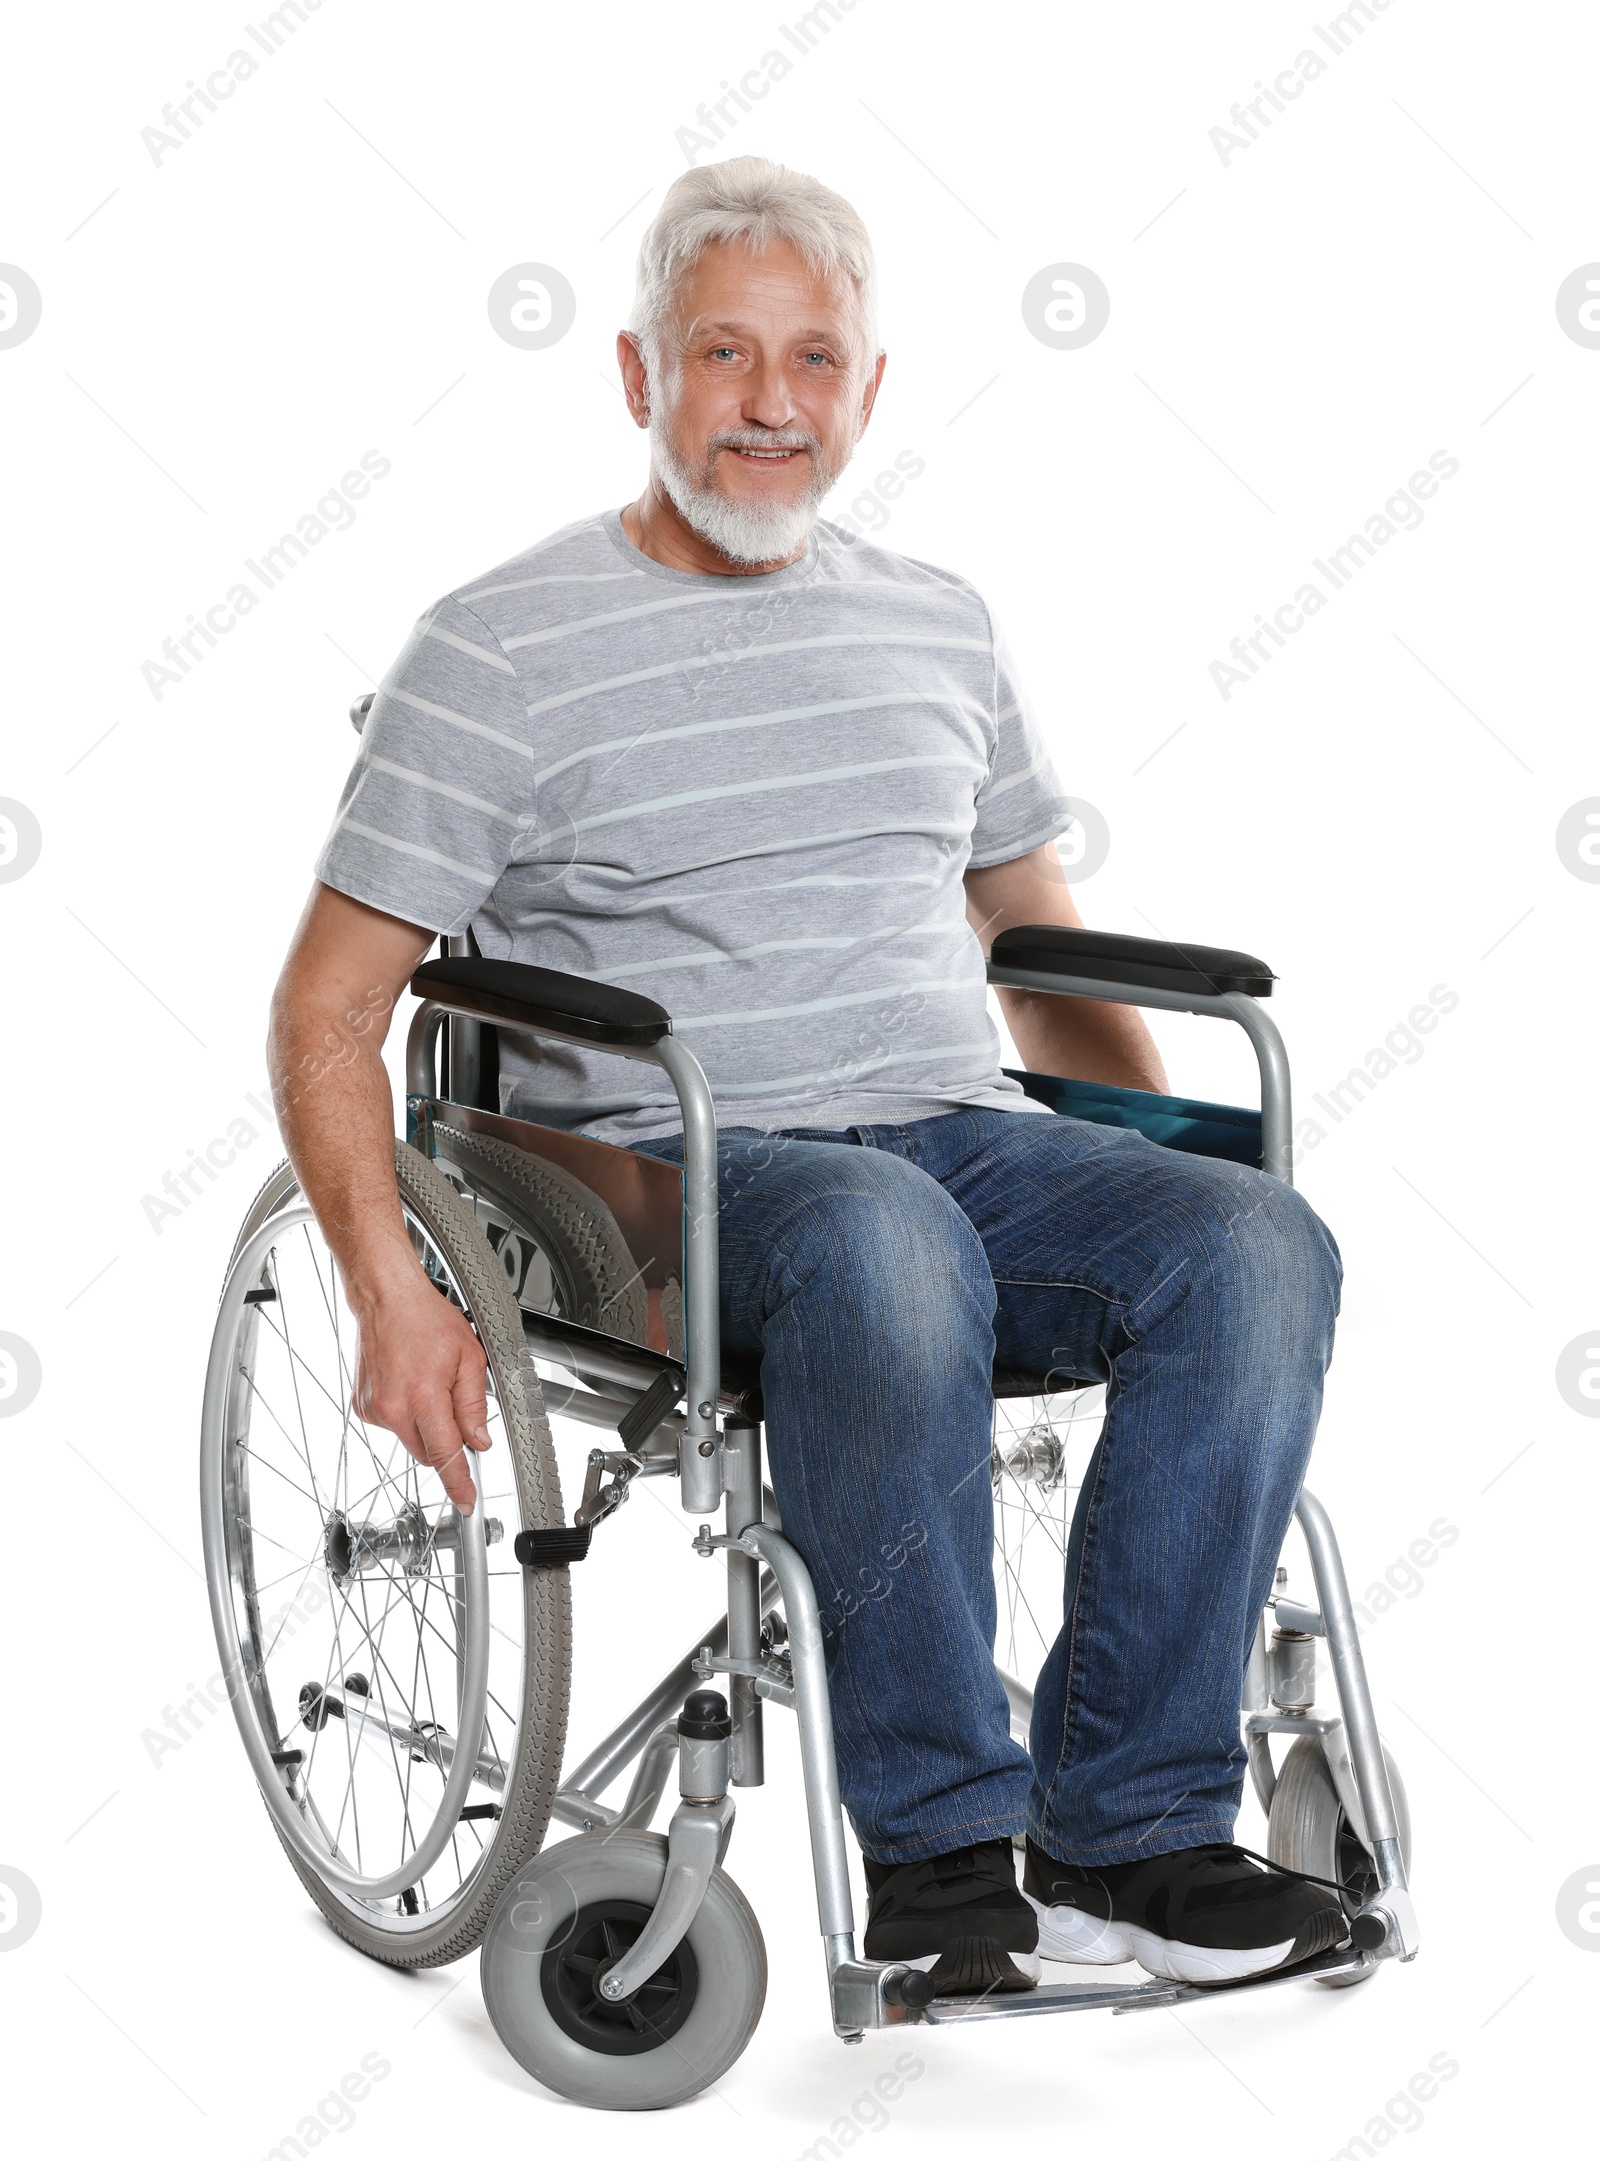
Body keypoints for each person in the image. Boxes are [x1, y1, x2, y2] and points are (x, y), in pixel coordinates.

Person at [270, 155, 1348, 1997]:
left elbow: (1039, 938)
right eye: (722, 356)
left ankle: (1136, 1829)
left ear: (868, 388)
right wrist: (386, 1281)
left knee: (1255, 1242)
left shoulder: (941, 619)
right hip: (661, 1169)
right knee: (880, 1238)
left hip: (947, 1129)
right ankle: (940, 1850)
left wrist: (1162, 1179)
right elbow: (325, 1007)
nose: (770, 403)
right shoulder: (497, 644)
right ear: (638, 378)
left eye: (813, 362)